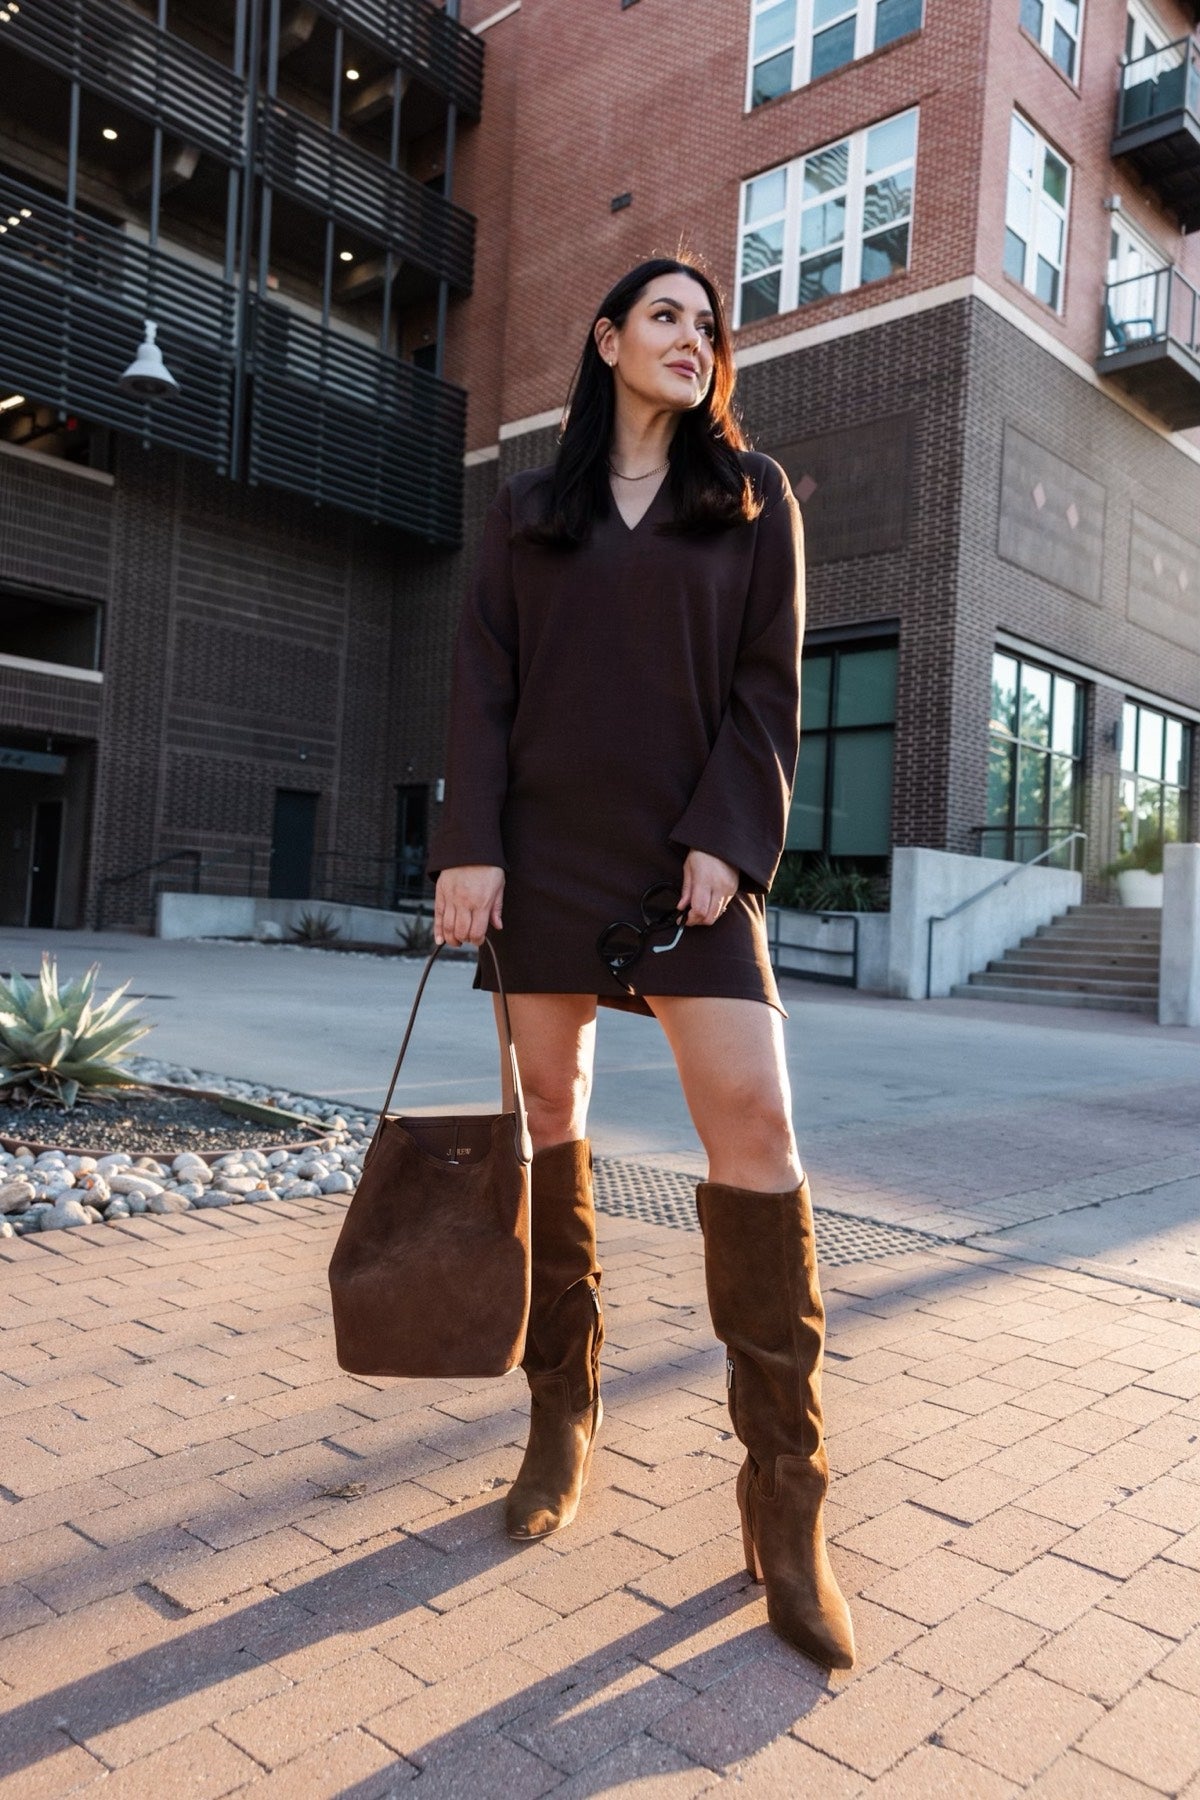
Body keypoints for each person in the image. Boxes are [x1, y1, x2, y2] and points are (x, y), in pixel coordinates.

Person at [427, 257, 854, 1672]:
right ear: (607, 339)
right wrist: (468, 847)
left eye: (708, 323)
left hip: (694, 864)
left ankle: (785, 1503)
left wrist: (731, 839)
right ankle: (561, 1414)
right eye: (665, 314)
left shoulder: (751, 500)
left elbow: (767, 693)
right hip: (543, 857)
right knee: (553, 1122)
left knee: (760, 1128)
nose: (695, 335)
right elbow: (482, 688)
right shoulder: (524, 514)